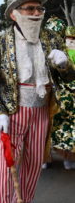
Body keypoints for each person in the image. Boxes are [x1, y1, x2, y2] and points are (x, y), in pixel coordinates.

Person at [0, 0, 75, 203]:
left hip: (41, 111)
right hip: (12, 112)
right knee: (8, 166)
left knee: (33, 165)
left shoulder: (52, 39)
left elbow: (69, 78)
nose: (36, 13)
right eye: (29, 8)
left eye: (39, 9)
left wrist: (64, 65)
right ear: (14, 13)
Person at [51, 25, 75, 169]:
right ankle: (44, 158)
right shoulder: (57, 53)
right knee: (51, 126)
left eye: (74, 38)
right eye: (69, 38)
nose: (71, 41)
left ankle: (70, 158)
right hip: (58, 96)